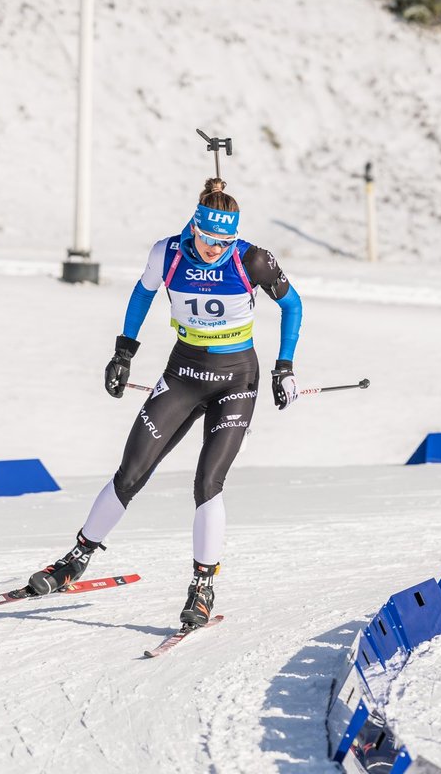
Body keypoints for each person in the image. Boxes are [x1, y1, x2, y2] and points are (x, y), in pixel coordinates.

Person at [28, 178, 302, 628]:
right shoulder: (168, 252)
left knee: (207, 481)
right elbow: (142, 293)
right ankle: (75, 559)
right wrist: (123, 352)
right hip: (183, 375)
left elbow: (293, 306)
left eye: (224, 241)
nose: (215, 248)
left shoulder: (251, 259)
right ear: (194, 226)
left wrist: (285, 366)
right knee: (130, 472)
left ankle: (202, 586)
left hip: (236, 380)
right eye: (209, 238)